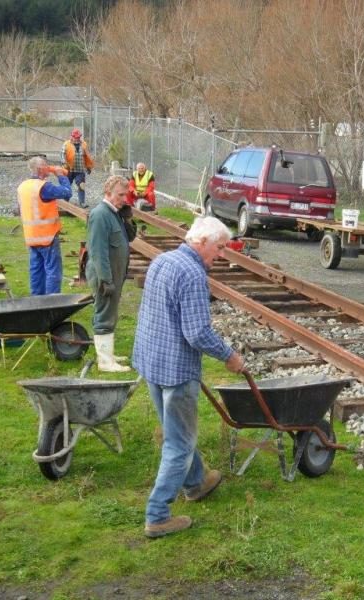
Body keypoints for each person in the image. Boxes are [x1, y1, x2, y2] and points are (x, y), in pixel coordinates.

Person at [133, 216, 245, 538]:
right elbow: (197, 333)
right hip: (177, 370)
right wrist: (230, 356)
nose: (222, 255)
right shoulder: (194, 274)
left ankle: (196, 482)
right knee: (179, 443)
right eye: (220, 248)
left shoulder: (162, 260)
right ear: (202, 242)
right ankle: (157, 515)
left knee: (176, 433)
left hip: (152, 362)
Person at [85, 175, 133, 373]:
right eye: (120, 195)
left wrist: (128, 218)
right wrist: (106, 280)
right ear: (108, 193)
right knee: (104, 313)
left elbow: (130, 237)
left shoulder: (115, 213)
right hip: (105, 276)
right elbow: (98, 251)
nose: (124, 199)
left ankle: (108, 354)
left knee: (110, 312)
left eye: (126, 195)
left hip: (114, 274)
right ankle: (105, 362)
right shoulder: (100, 215)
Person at [17, 156, 71, 295]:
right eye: (46, 165)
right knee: (52, 270)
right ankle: (52, 302)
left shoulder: (23, 186)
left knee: (36, 270)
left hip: (31, 236)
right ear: (40, 169)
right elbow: (66, 192)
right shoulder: (43, 187)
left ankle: (37, 302)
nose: (49, 167)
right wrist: (60, 175)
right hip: (47, 237)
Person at [62, 128, 94, 208]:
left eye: (78, 137)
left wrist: (88, 167)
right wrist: (64, 163)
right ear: (71, 137)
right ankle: (65, 202)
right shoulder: (66, 144)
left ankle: (82, 202)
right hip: (68, 169)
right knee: (67, 186)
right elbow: (62, 155)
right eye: (76, 137)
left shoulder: (84, 144)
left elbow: (87, 157)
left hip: (80, 169)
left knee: (82, 185)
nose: (77, 139)